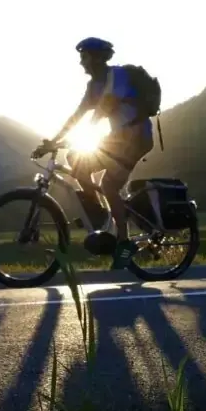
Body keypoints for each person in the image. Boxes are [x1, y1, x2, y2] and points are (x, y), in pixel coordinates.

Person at [34, 36, 155, 270]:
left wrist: (75, 137)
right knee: (75, 162)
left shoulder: (116, 76)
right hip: (119, 139)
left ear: (98, 58)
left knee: (108, 185)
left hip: (137, 137)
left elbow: (103, 108)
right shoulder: (93, 86)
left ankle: (123, 242)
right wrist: (53, 141)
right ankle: (101, 215)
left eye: (84, 57)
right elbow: (77, 115)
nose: (81, 63)